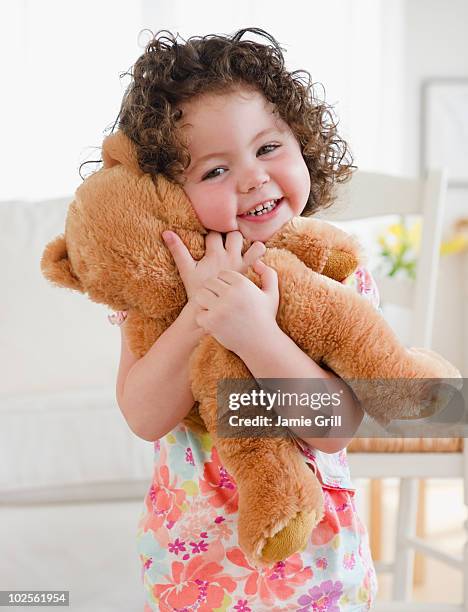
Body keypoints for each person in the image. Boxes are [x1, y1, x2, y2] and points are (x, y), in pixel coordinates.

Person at [110, 28, 379, 611]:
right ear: (167, 192)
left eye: (267, 148)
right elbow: (144, 415)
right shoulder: (161, 285)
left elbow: (333, 427)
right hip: (192, 566)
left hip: (316, 570)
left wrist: (254, 334)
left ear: (302, 141)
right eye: (213, 171)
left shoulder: (336, 272)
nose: (253, 177)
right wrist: (198, 316)